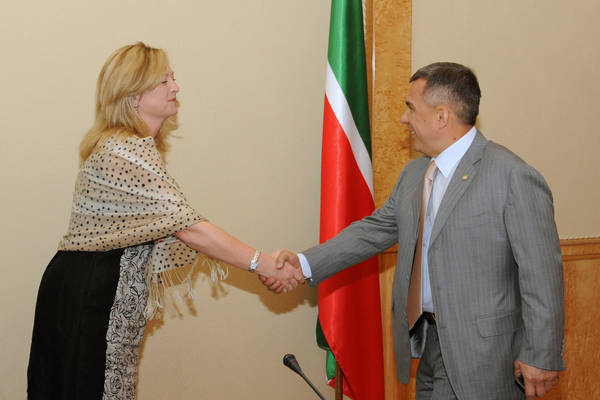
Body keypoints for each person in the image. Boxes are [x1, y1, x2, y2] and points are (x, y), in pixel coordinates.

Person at [265, 62, 565, 399]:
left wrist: (542, 353)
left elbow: (542, 274)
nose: (403, 118)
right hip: (430, 344)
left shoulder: (511, 176)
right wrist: (304, 264)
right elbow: (373, 231)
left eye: (410, 107)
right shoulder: (415, 173)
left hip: (485, 354)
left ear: (441, 116)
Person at [27, 42, 302, 400]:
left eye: (173, 77)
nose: (176, 87)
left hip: (90, 286)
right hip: (90, 293)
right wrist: (263, 263)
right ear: (133, 96)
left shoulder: (133, 146)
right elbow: (189, 228)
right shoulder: (125, 149)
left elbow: (177, 224)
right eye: (163, 81)